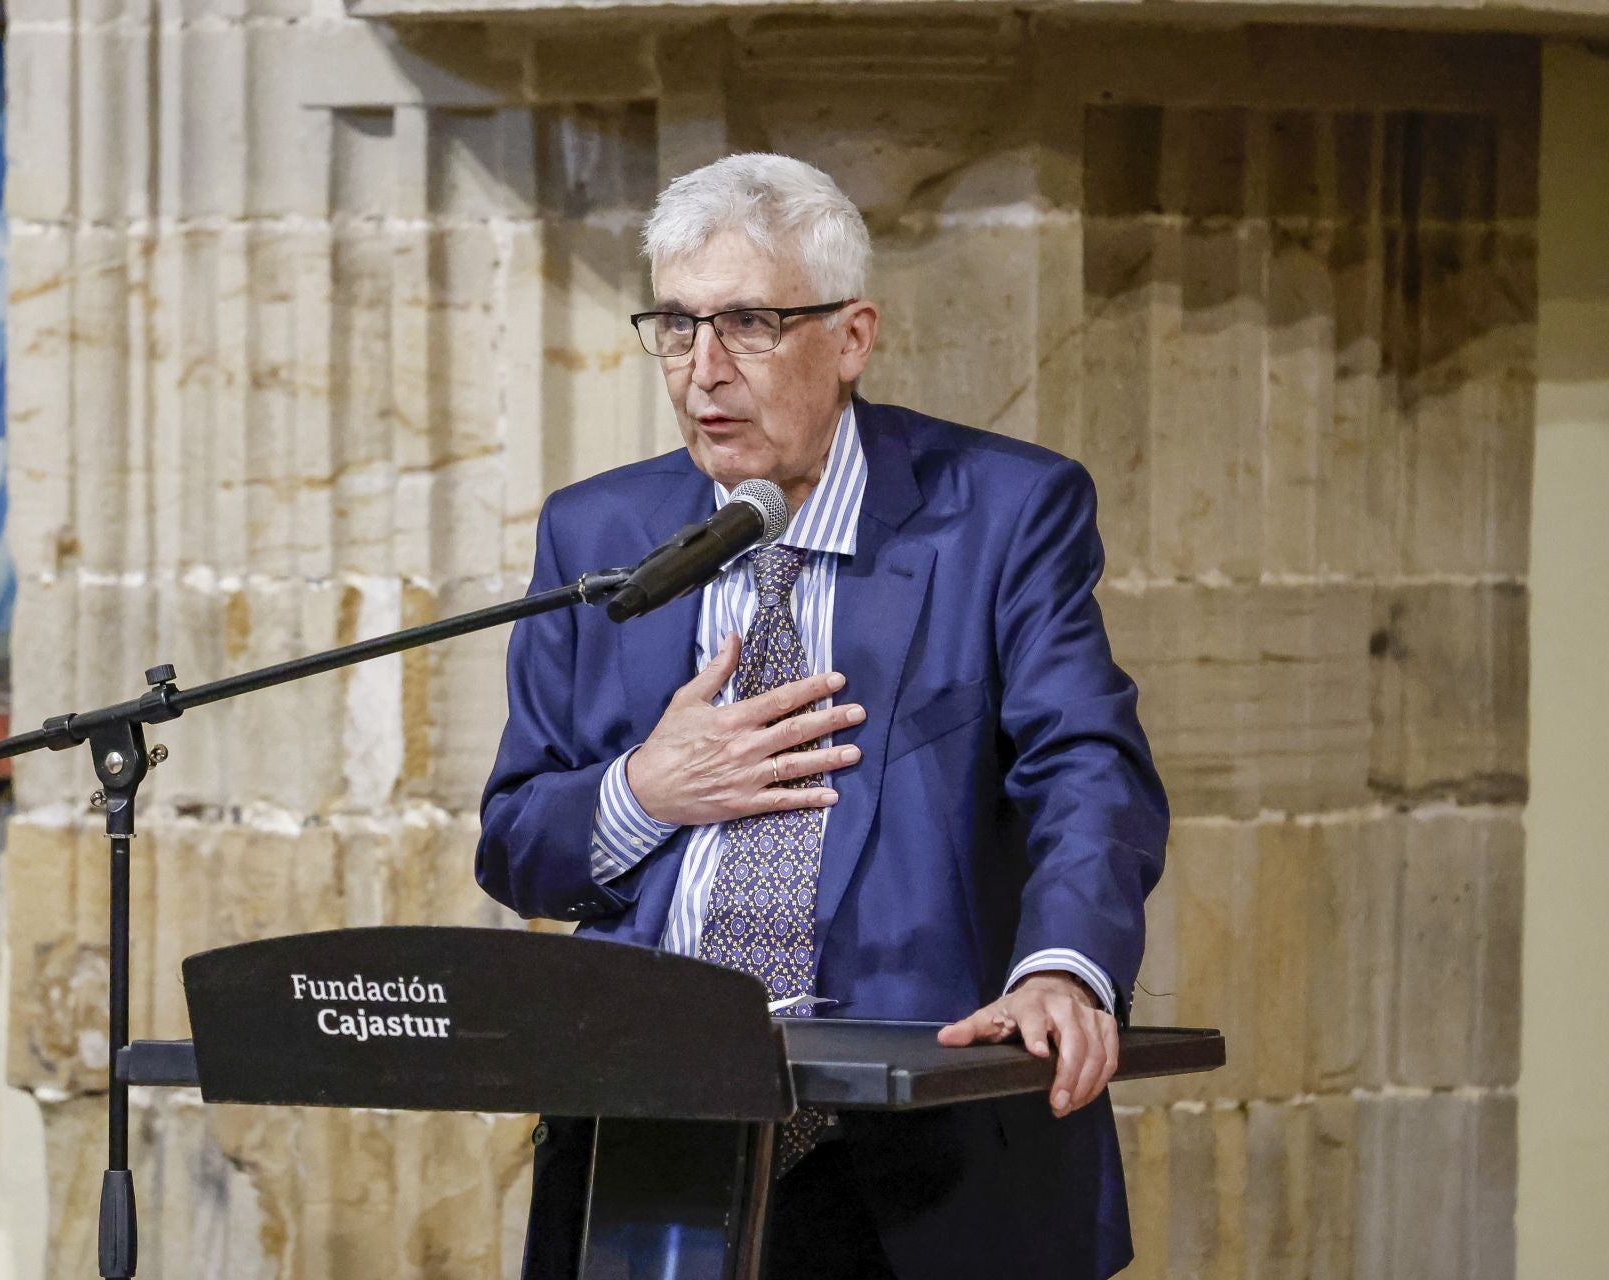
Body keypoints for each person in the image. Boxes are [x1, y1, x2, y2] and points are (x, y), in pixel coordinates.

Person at [477, 153, 1167, 1280]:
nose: (704, 370)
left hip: (920, 1155)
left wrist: (1065, 966)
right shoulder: (596, 534)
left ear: (852, 335)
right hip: (649, 1142)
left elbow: (1087, 764)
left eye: (747, 322)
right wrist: (640, 792)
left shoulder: (1002, 514)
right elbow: (516, 844)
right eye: (676, 325)